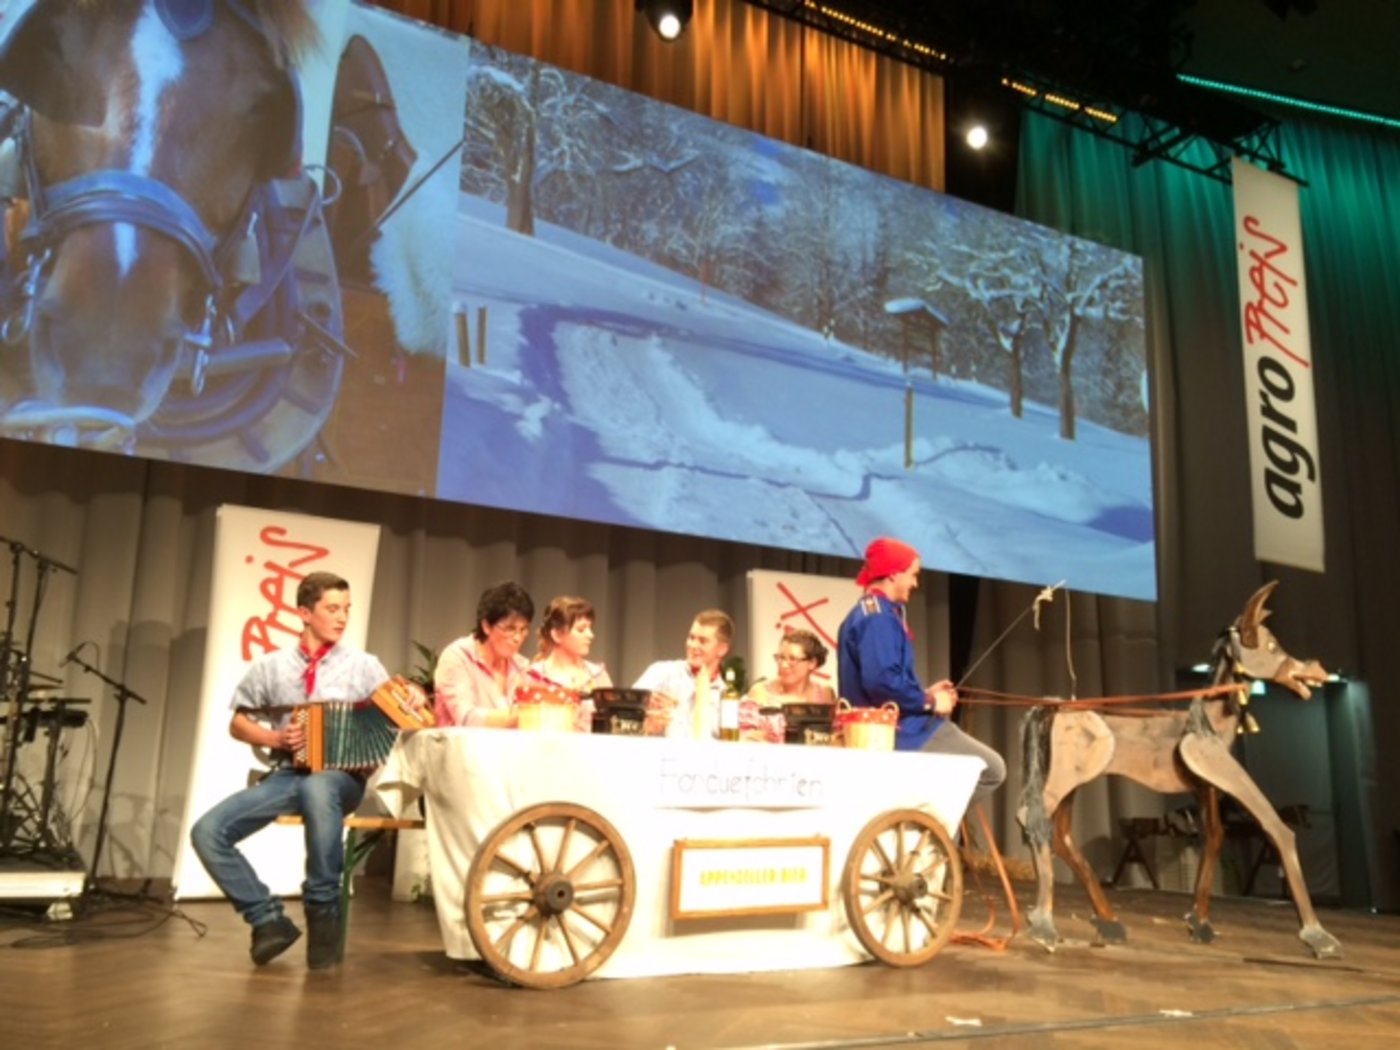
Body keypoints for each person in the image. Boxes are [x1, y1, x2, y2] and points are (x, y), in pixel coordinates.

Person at [190, 571, 399, 970]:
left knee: (320, 786)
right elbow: (239, 723)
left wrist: (370, 752)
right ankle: (268, 920)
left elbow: (388, 724)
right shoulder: (272, 667)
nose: (342, 618)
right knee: (208, 831)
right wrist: (278, 740)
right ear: (304, 612)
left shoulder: (365, 666)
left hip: (343, 779)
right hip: (290, 774)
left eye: (346, 610)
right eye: (332, 609)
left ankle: (323, 905)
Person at [837, 537, 1006, 808]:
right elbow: (881, 684)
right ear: (893, 574)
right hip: (902, 732)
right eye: (913, 575)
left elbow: (887, 679)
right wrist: (930, 702)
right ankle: (926, 825)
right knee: (992, 769)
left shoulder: (874, 612)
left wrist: (924, 693)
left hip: (897, 723)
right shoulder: (877, 616)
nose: (916, 584)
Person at [433, 581, 534, 727]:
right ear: (486, 626)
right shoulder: (458, 657)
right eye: (510, 629)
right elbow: (467, 718)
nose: (518, 638)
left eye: (523, 629)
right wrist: (521, 717)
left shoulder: (522, 666)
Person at [632, 609, 733, 739]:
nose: (693, 645)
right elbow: (623, 718)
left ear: (722, 649)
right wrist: (646, 723)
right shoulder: (661, 673)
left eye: (703, 641)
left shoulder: (727, 699)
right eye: (691, 637)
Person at [528, 596, 612, 731]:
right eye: (581, 629)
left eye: (590, 628)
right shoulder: (534, 677)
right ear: (557, 634)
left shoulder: (597, 676)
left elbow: (612, 724)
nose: (590, 635)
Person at [748, 629, 837, 707]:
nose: (784, 665)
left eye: (792, 659)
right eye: (781, 658)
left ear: (812, 663)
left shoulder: (825, 694)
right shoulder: (761, 693)